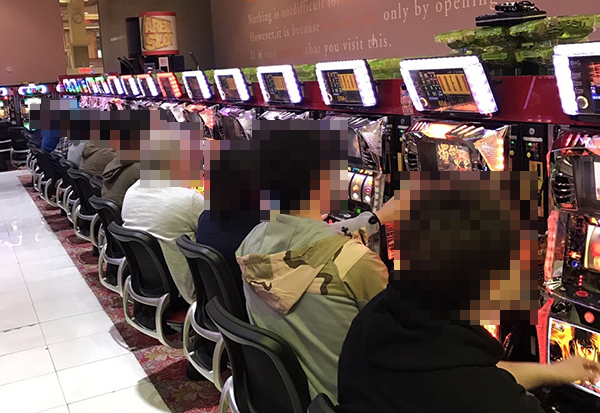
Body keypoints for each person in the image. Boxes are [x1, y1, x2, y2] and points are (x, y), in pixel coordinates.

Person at [336, 172, 600, 413]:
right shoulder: (492, 402)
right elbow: (478, 386)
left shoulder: (375, 320)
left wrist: (554, 372)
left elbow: (480, 374)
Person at [235, 120, 389, 403]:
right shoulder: (356, 263)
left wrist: (373, 220)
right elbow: (393, 340)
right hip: (348, 399)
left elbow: (311, 243)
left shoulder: (252, 241)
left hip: (285, 395)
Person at [121, 180, 204, 304]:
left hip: (147, 280)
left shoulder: (132, 191)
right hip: (186, 290)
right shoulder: (190, 199)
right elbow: (215, 232)